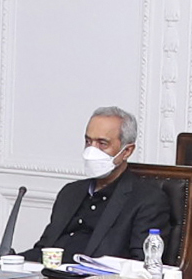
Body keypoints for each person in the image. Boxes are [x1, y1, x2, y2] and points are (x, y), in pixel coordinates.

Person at [31, 107, 178, 265]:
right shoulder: (70, 192)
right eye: (88, 142)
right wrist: (12, 260)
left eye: (102, 144)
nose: (92, 151)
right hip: (48, 275)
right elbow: (43, 250)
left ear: (127, 151)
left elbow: (141, 265)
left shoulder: (147, 200)